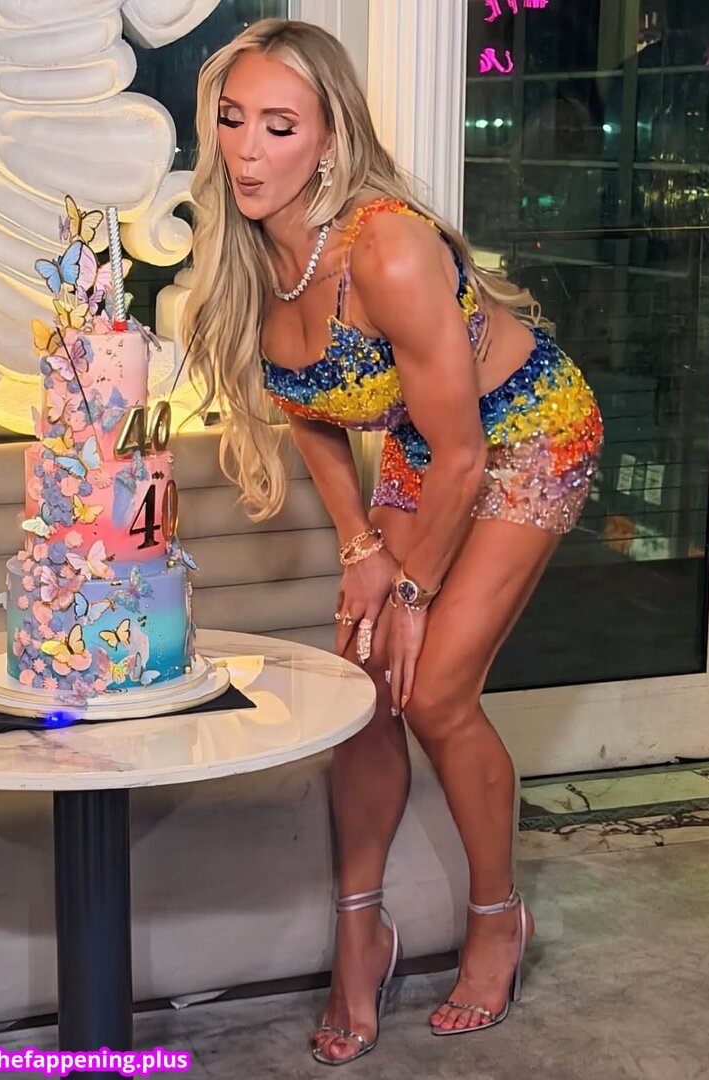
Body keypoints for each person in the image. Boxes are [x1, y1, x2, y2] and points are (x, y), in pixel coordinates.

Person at [184, 17, 603, 1066]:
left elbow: (467, 456)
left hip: (526, 432)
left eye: (279, 126)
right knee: (364, 686)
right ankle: (359, 933)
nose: (247, 150)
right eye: (233, 119)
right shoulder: (248, 252)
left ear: (328, 137)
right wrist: (361, 547)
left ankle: (497, 918)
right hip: (433, 442)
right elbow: (308, 410)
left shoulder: (389, 248)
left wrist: (411, 593)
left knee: (436, 690)